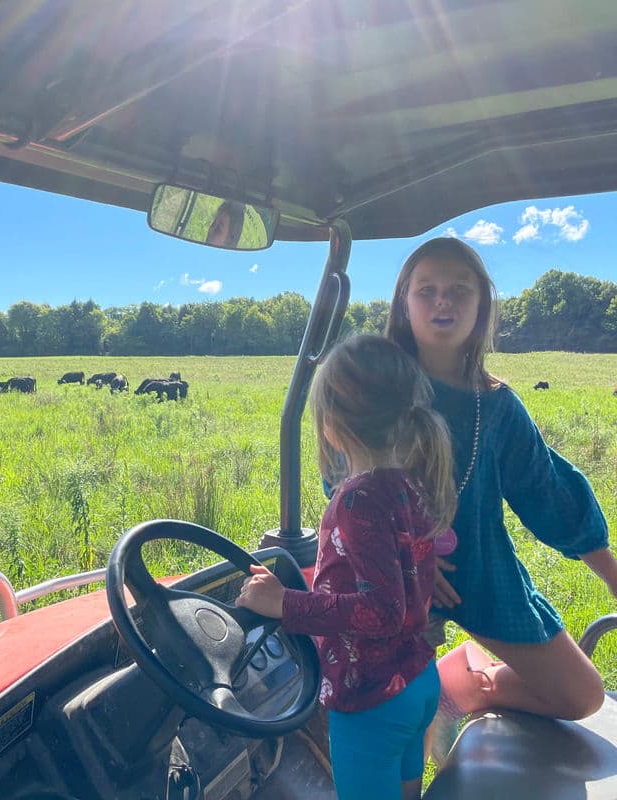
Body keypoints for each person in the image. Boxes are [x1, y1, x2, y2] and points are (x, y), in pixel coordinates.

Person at [384, 236, 617, 759]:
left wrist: (610, 573)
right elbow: (343, 480)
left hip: (483, 572)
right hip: (387, 571)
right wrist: (407, 555)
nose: (443, 302)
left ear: (482, 306)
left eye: (459, 291)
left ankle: (467, 687)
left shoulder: (499, 405)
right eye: (428, 290)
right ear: (404, 302)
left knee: (583, 694)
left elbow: (547, 489)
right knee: (388, 720)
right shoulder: (376, 388)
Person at [237, 334, 458, 800]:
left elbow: (381, 611)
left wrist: (284, 603)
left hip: (371, 699)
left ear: (332, 425)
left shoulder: (357, 500)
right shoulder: (409, 485)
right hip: (417, 681)